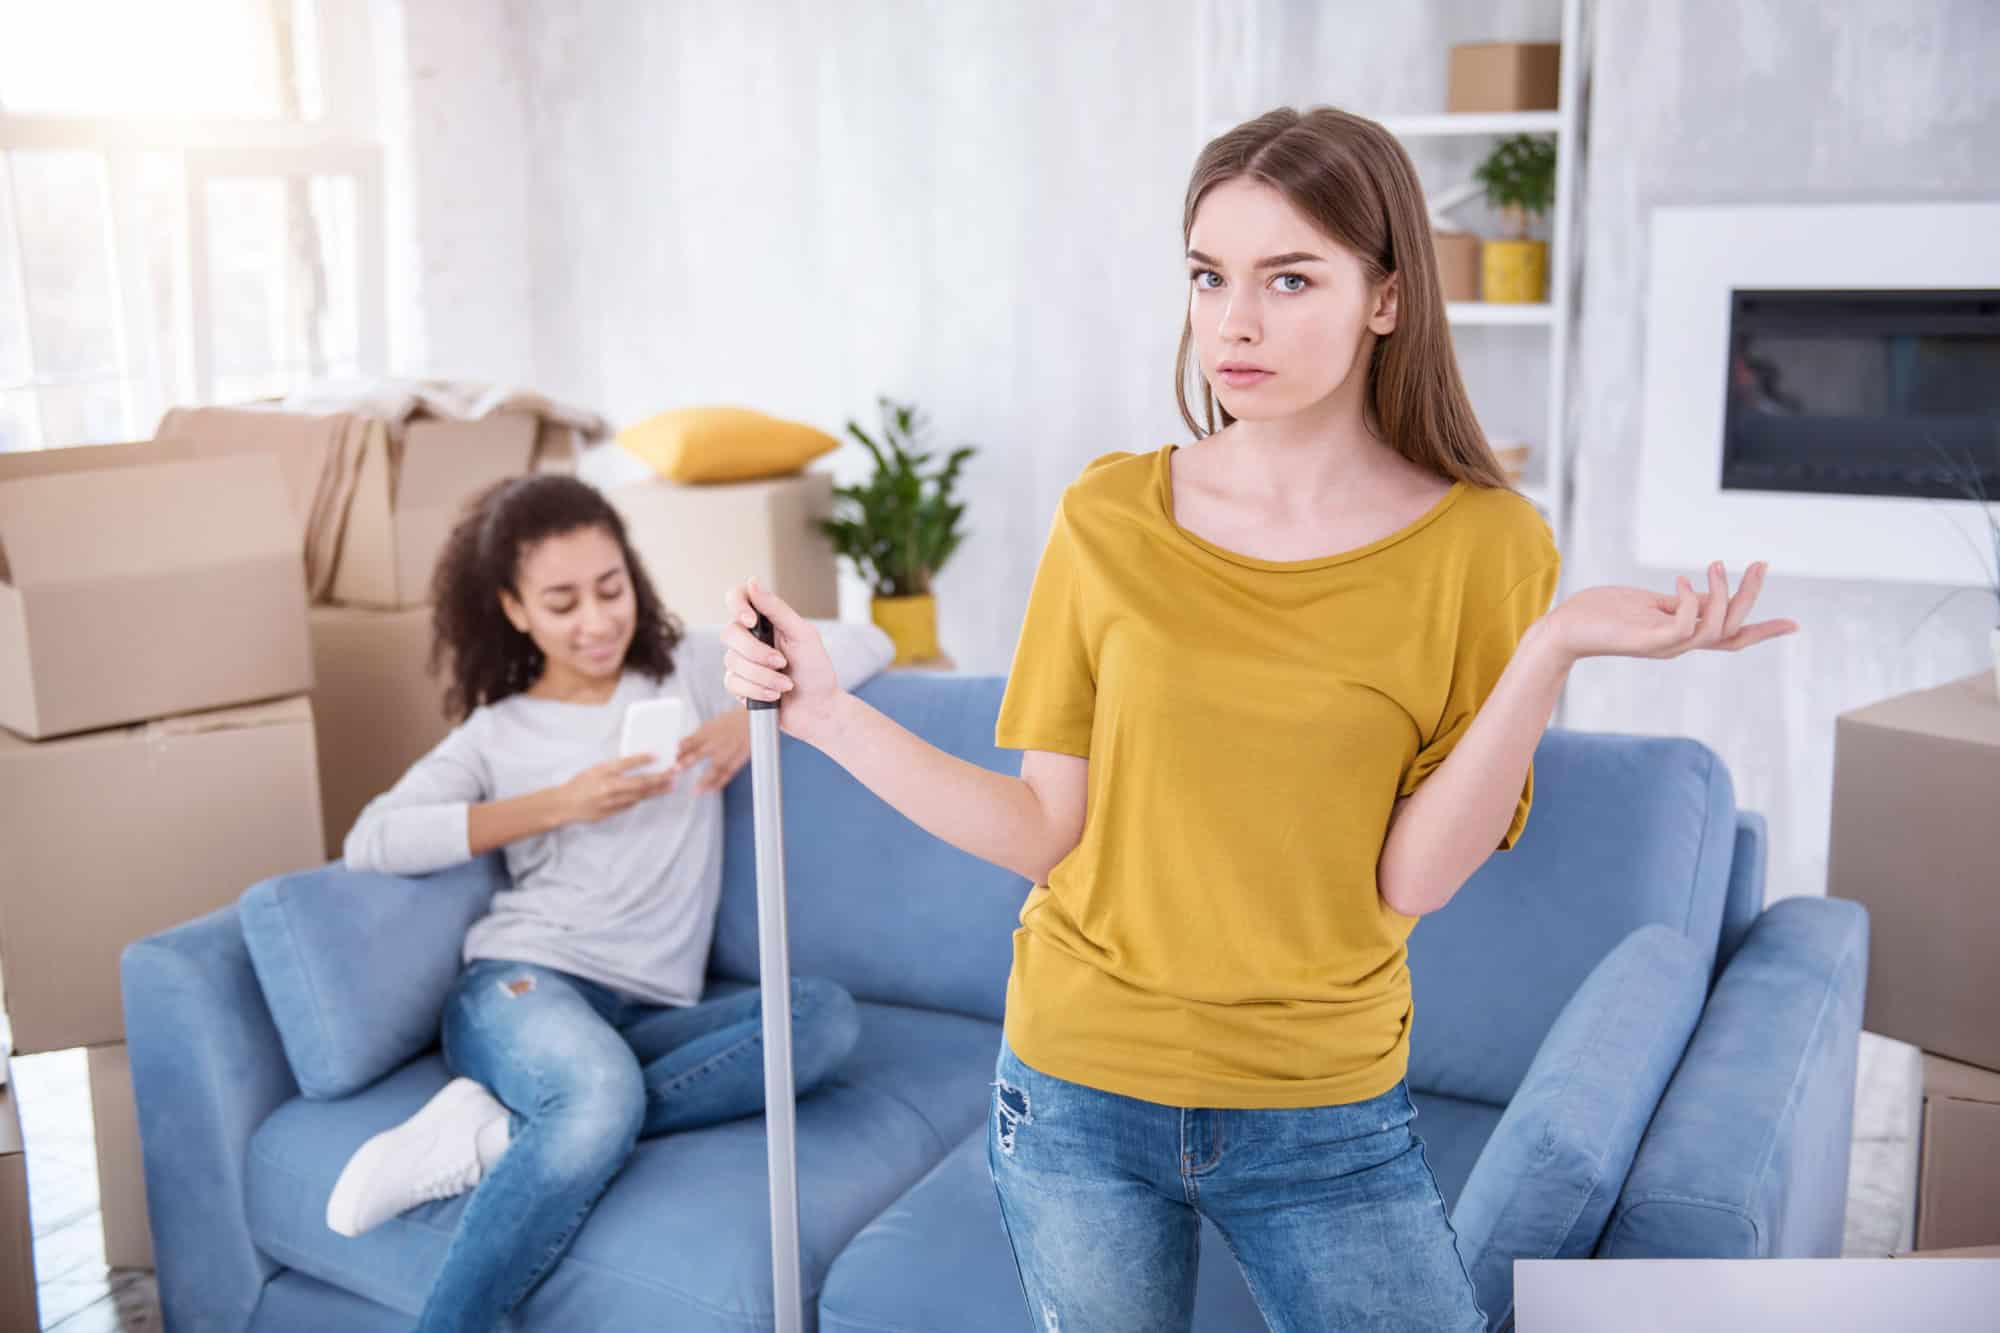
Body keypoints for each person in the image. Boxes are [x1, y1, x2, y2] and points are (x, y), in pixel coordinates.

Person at [715, 106, 1799, 1332]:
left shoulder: (1487, 548)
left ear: (1385, 297)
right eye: (1208, 276)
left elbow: (1412, 876)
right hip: (1072, 1086)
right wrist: (821, 713)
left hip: (1322, 1110)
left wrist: (1545, 653)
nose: (1235, 321)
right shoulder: (1107, 515)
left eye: (1289, 278)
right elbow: (1040, 831)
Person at [326, 472, 894, 1333]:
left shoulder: (690, 671)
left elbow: (867, 638)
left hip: (648, 1009)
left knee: (822, 1020)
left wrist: (755, 712)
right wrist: (558, 802)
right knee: (596, 1095)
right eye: (561, 602)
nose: (595, 621)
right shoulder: (499, 730)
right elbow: (372, 838)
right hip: (523, 983)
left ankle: (493, 1135)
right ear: (515, 610)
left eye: (610, 588)